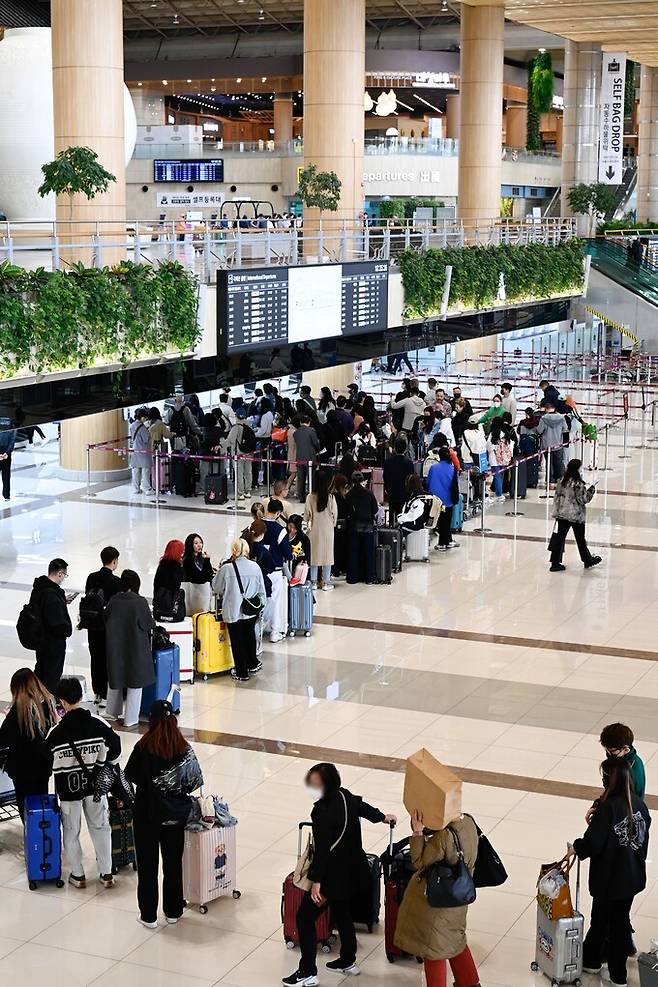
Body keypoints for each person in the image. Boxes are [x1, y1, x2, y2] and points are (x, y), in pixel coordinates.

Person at [282, 762, 396, 986]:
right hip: (354, 874)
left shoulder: (321, 811)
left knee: (305, 917)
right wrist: (383, 817)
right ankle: (347, 960)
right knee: (342, 910)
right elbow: (364, 809)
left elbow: (322, 851)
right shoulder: (346, 796)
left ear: (325, 785)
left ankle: (307, 971)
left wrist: (316, 881)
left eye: (314, 782)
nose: (310, 786)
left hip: (331, 880)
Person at [566, 757, 651, 987]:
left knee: (614, 924)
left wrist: (576, 847)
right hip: (631, 876)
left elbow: (593, 843)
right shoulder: (639, 805)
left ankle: (617, 975)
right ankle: (592, 960)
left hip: (609, 878)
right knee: (608, 919)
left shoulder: (608, 807)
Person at [125, 699, 204, 928]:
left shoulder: (143, 747)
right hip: (175, 816)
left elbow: (132, 776)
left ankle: (148, 915)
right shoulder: (184, 748)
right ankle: (173, 911)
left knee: (148, 867)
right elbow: (193, 782)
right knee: (173, 865)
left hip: (146, 814)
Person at [45, 676, 120, 890]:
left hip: (68, 791)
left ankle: (78, 875)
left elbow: (45, 759)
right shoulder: (99, 724)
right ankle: (106, 873)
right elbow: (115, 750)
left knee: (71, 831)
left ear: (62, 702)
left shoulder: (56, 733)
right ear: (80, 696)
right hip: (96, 788)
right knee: (101, 828)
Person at [395, 807, 480, 987]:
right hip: (459, 897)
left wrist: (417, 832)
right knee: (456, 942)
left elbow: (419, 861)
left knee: (433, 949)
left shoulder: (444, 837)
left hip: (440, 903)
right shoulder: (468, 822)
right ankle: (470, 983)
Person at [0, 668, 58, 818]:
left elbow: (3, 738)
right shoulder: (49, 704)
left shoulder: (18, 712)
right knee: (41, 800)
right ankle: (43, 832)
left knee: (25, 804)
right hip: (43, 765)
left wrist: (8, 717)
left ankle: (31, 835)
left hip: (21, 769)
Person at [104, 570, 156, 727]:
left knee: (115, 680)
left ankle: (112, 712)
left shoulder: (113, 601)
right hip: (136, 648)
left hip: (115, 647)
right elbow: (148, 624)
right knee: (135, 683)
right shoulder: (139, 602)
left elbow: (105, 618)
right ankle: (130, 719)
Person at [212, 538, 266, 682]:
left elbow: (216, 587)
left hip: (233, 610)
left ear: (234, 551)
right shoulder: (255, 567)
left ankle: (242, 671)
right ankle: (252, 663)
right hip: (251, 609)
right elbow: (262, 590)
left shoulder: (227, 568)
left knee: (237, 641)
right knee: (249, 636)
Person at [84, 546, 121, 707]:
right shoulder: (116, 582)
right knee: (108, 658)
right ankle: (108, 693)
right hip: (109, 627)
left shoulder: (91, 578)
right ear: (114, 561)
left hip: (92, 625)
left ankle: (98, 692)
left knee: (96, 658)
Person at [550, 459, 602, 572]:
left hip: (562, 514)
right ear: (577, 469)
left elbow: (557, 497)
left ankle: (555, 563)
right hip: (575, 516)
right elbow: (583, 499)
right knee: (580, 539)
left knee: (559, 538)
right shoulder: (578, 484)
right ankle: (587, 560)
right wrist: (592, 489)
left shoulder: (561, 481)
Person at [30, 558, 73, 694]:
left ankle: (35, 700)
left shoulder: (40, 588)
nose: (64, 578)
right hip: (52, 643)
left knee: (40, 671)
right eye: (65, 575)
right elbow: (56, 623)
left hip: (41, 640)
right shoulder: (52, 595)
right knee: (51, 676)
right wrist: (67, 630)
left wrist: (62, 601)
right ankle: (47, 706)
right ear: (60, 573)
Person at [262, 499, 293, 643]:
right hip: (275, 570)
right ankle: (275, 632)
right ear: (279, 513)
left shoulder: (255, 525)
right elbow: (287, 553)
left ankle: (259, 631)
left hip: (258, 569)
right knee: (274, 600)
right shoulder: (280, 531)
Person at [304, 470, 337, 590]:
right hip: (328, 529)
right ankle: (326, 582)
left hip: (315, 529)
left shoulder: (310, 497)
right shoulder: (330, 497)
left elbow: (307, 515)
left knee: (314, 555)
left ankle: (313, 582)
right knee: (327, 555)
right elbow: (335, 515)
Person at [598, 723, 646, 802]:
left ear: (626, 749)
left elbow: (633, 800)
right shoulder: (616, 760)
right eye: (606, 749)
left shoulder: (633, 768)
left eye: (612, 751)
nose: (608, 753)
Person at [346, 472, 378, 584]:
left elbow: (347, 511)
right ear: (363, 480)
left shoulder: (349, 494)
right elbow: (375, 509)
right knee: (368, 553)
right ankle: (369, 577)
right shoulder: (369, 494)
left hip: (354, 527)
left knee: (353, 553)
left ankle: (353, 578)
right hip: (368, 526)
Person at [427, 448, 459, 550]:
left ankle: (444, 541)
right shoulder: (453, 469)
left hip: (436, 500)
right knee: (447, 521)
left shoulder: (433, 468)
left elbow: (428, 482)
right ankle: (444, 542)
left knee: (440, 521)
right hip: (448, 500)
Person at [383, 436, 415, 523]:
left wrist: (387, 488)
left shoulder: (388, 462)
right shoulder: (409, 463)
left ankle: (391, 531)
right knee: (403, 515)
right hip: (404, 494)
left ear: (394, 448)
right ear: (405, 449)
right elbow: (411, 479)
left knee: (392, 513)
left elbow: (385, 477)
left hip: (392, 492)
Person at [182, 532, 214, 616]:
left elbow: (209, 575)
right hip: (193, 594)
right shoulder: (187, 560)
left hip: (203, 594)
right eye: (196, 543)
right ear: (190, 545)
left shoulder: (202, 558)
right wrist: (207, 561)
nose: (199, 545)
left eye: (200, 542)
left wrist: (207, 560)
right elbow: (199, 578)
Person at [537, 401, 567, 485]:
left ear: (546, 409)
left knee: (549, 463)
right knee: (558, 462)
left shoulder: (544, 418)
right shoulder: (561, 418)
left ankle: (550, 480)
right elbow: (565, 429)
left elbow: (539, 430)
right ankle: (559, 479)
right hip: (558, 444)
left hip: (547, 445)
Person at [153, 539, 186, 615]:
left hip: (159, 603)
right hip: (170, 604)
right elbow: (175, 585)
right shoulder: (176, 566)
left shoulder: (162, 564)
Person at [293, 416, 321, 503]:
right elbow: (316, 443)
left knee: (301, 478)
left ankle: (301, 497)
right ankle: (310, 495)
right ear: (309, 422)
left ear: (300, 422)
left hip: (299, 457)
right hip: (310, 457)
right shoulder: (311, 430)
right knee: (310, 477)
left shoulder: (296, 432)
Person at [487, 416, 512, 501]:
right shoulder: (505, 433)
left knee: (497, 476)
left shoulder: (493, 434)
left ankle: (499, 494)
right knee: (501, 475)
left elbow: (488, 446)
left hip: (494, 458)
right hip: (504, 458)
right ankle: (500, 492)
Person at [130, 407, 153, 494]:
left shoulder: (132, 425)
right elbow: (146, 439)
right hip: (144, 451)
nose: (146, 419)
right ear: (142, 417)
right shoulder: (143, 428)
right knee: (145, 470)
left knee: (136, 470)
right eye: (145, 417)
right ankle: (146, 489)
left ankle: (136, 488)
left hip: (135, 450)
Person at [287, 514, 311, 582]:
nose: (291, 529)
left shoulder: (303, 538)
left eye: (294, 528)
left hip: (298, 567)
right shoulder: (283, 535)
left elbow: (307, 555)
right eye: (290, 526)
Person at [0, 426, 16, 501]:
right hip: (6, 453)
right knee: (6, 475)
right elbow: (12, 441)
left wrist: (7, 453)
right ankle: (6, 495)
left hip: (6, 454)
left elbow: (12, 441)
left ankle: (6, 495)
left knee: (6, 475)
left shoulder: (13, 426)